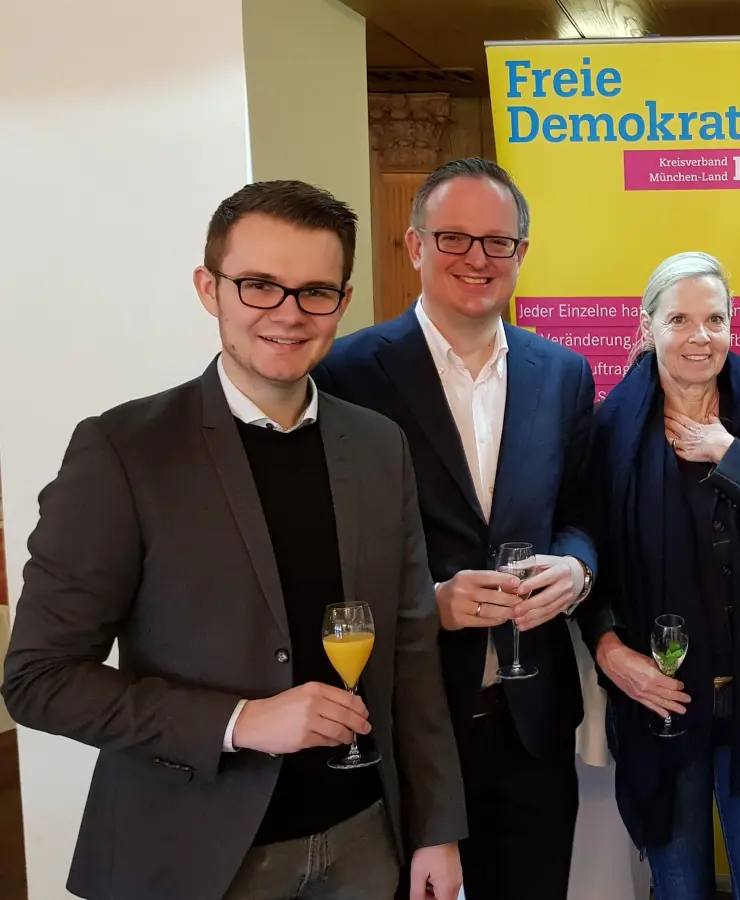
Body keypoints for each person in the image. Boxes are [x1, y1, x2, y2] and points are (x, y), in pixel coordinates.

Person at [2, 180, 466, 900]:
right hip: (192, 855)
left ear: (342, 303)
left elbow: (410, 649)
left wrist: (436, 824)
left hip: (365, 841)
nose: (288, 314)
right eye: (258, 286)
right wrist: (240, 721)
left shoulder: (379, 446)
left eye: (314, 291)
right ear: (208, 288)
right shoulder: (123, 451)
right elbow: (38, 681)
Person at [313, 157, 596, 899]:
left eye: (497, 242)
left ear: (522, 255)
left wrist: (577, 569)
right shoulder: (346, 373)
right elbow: (327, 549)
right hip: (410, 717)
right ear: (413, 246)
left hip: (532, 718)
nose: (477, 258)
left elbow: (582, 514)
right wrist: (430, 601)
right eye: (453, 238)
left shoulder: (562, 373)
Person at [577, 251, 740, 898]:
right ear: (647, 328)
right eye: (680, 319)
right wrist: (610, 650)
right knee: (679, 887)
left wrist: (732, 456)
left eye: (715, 318)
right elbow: (587, 559)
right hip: (661, 705)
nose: (700, 337)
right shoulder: (608, 432)